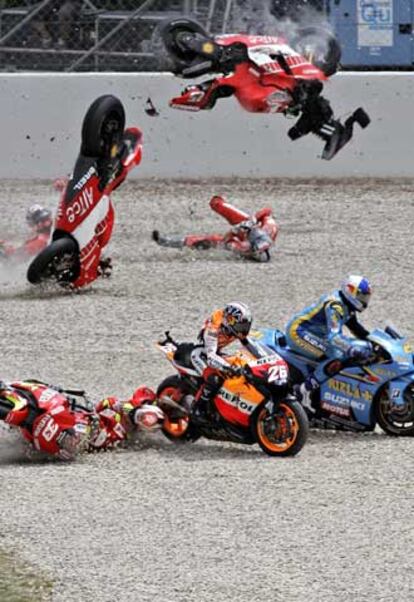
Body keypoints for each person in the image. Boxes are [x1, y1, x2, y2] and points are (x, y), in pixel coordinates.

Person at [285, 275, 373, 413]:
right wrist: (352, 349)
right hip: (298, 332)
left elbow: (355, 327)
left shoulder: (347, 306)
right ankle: (304, 390)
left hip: (314, 334)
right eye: (362, 296)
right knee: (336, 355)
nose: (364, 301)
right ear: (351, 292)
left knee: (346, 350)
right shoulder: (335, 306)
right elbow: (334, 337)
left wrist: (374, 341)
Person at [153, 195, 278, 261]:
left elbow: (225, 241)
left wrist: (234, 232)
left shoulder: (243, 248)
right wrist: (253, 220)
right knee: (216, 203)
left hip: (241, 233)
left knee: (208, 241)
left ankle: (166, 241)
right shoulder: (269, 228)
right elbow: (267, 211)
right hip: (247, 224)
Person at [190, 302, 253, 424]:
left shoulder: (234, 327)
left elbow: (249, 344)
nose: (243, 330)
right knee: (214, 379)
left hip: (216, 353)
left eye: (245, 326)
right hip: (203, 353)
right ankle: (197, 409)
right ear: (230, 321)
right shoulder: (214, 328)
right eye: (241, 326)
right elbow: (211, 357)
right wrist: (229, 368)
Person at [90, 387, 164, 450]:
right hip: (108, 429)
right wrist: (95, 412)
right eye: (148, 403)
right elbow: (108, 402)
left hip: (115, 440)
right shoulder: (128, 407)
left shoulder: (150, 422)